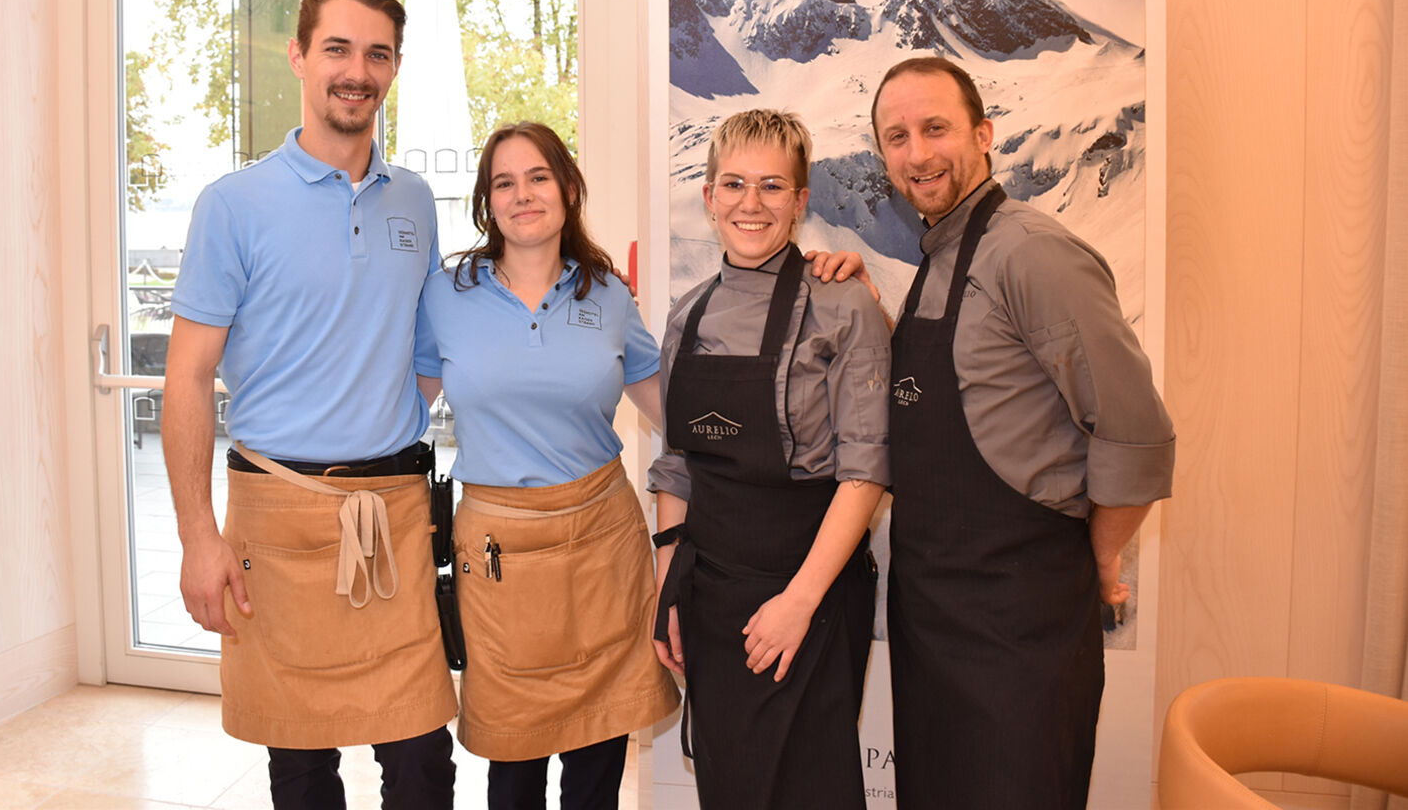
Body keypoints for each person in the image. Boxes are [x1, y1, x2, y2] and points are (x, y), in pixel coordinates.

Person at [415, 121, 864, 809]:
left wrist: (840, 286)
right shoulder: (446, 296)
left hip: (601, 541)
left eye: (538, 177)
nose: (522, 194)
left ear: (568, 190)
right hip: (499, 552)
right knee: (514, 755)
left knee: (598, 747)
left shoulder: (607, 296)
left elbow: (684, 425)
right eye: (503, 182)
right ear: (485, 201)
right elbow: (400, 409)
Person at [163, 0, 456, 810]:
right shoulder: (233, 205)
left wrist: (378, 410)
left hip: (395, 510)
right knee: (298, 763)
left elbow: (427, 348)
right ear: (298, 57)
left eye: (376, 53)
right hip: (276, 514)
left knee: (422, 759)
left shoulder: (414, 201)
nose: (354, 69)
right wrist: (196, 537)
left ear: (394, 68)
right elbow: (186, 377)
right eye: (337, 48)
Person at [870, 55, 1175, 810]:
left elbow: (1136, 432)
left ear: (983, 134)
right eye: (895, 136)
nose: (916, 153)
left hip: (1021, 623)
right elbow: (955, 387)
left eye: (934, 127)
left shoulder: (1032, 252)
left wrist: (1096, 561)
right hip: (932, 614)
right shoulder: (937, 257)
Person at [648, 108, 890, 810]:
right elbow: (676, 467)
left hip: (811, 590)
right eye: (732, 185)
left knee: (808, 788)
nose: (749, 204)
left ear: (800, 201)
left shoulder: (844, 305)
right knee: (731, 787)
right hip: (711, 592)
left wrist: (799, 602)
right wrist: (670, 594)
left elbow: (866, 470)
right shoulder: (686, 316)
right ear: (708, 197)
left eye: (771, 187)